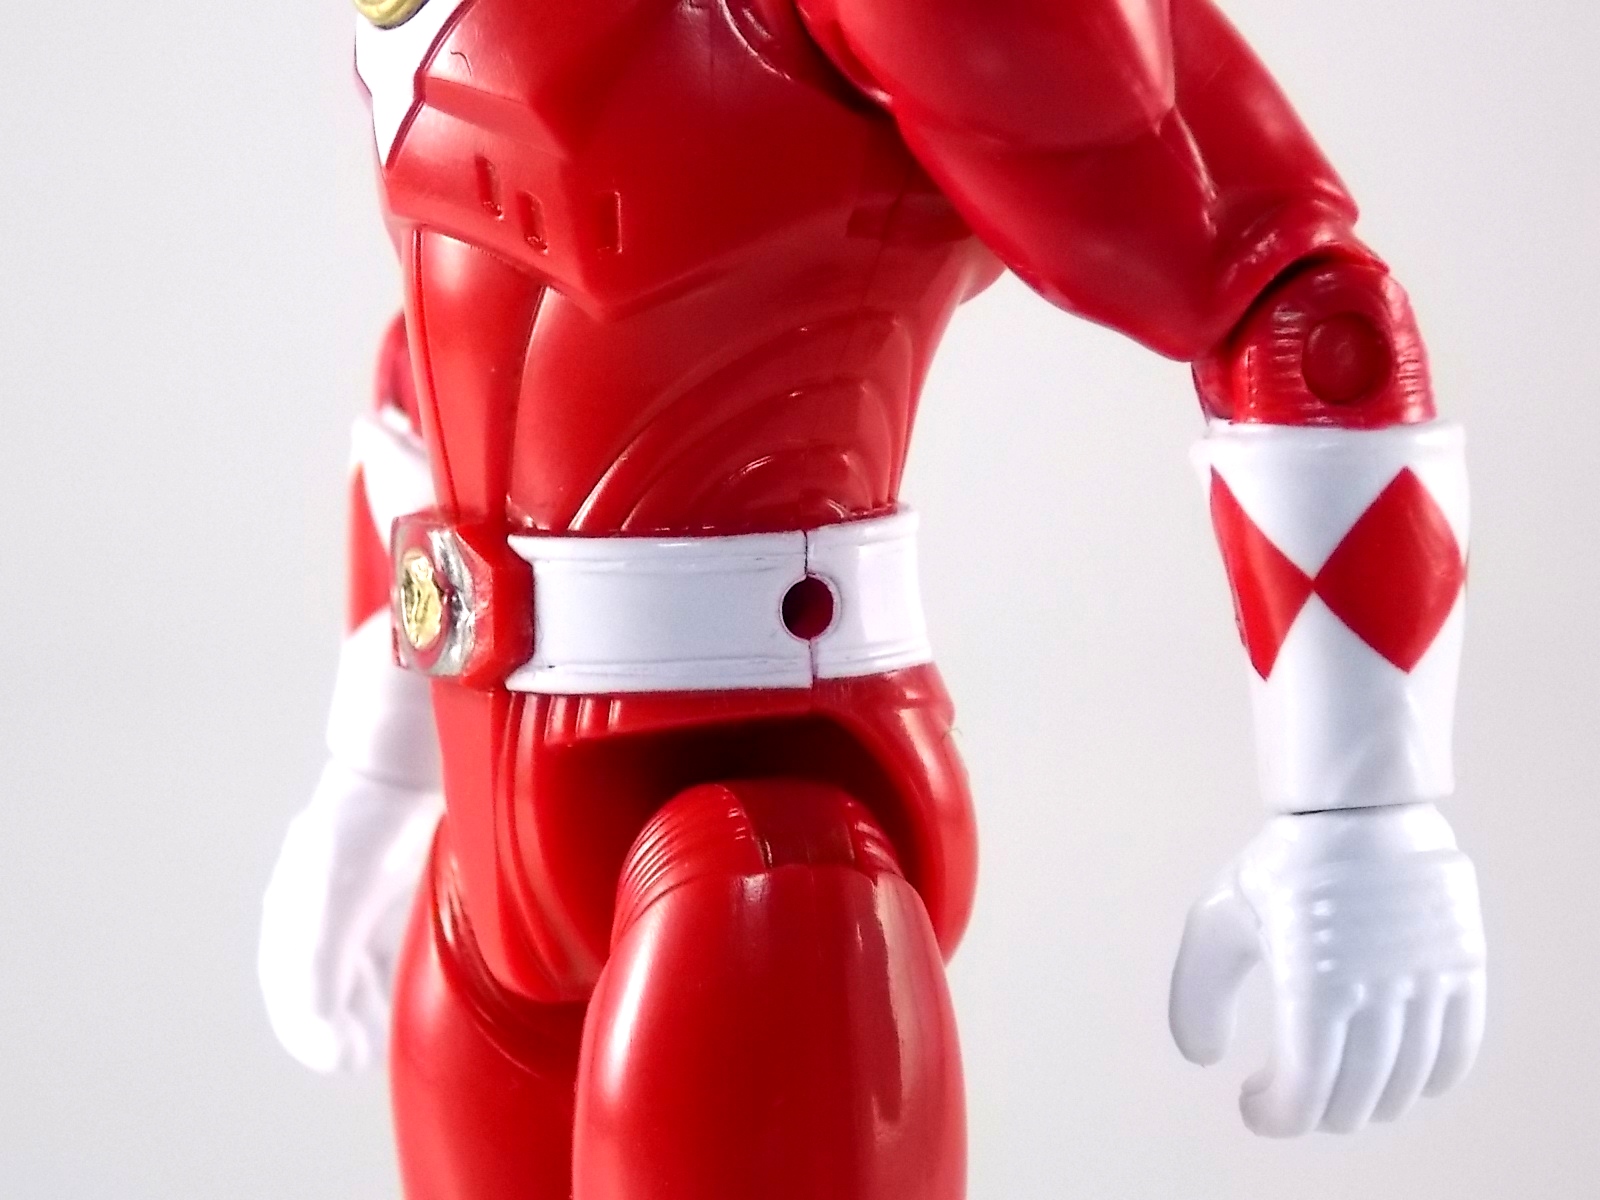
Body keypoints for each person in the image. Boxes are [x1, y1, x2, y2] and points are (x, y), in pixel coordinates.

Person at [258, 1, 1488, 1195]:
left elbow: (1301, 312)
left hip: (755, 834)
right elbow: (449, 334)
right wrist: (375, 774)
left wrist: (1363, 809)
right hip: (486, 860)